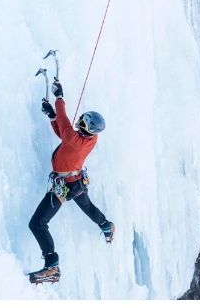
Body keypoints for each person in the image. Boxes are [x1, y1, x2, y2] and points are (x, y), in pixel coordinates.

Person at [27, 80, 114, 284]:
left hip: (65, 187)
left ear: (84, 126)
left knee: (38, 223)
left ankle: (52, 266)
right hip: (76, 183)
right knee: (88, 207)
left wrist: (59, 97)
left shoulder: (74, 140)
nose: (79, 121)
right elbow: (64, 134)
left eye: (82, 120)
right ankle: (106, 225)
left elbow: (65, 124)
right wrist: (52, 116)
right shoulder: (89, 140)